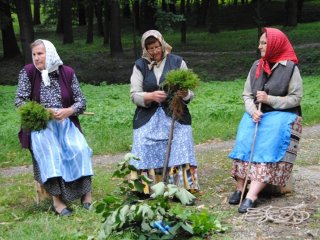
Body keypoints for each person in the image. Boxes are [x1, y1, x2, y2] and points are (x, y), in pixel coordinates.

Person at [15, 39, 93, 216]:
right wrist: (44, 111)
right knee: (51, 154)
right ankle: (57, 201)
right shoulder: (28, 72)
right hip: (41, 126)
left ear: (49, 53)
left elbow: (81, 102)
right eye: (34, 54)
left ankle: (86, 195)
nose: (36, 58)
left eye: (40, 54)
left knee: (80, 149)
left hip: (66, 124)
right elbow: (20, 101)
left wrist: (69, 110)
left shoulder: (67, 72)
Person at [228, 27, 303, 213]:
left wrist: (269, 100)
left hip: (283, 114)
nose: (259, 46)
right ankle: (240, 187)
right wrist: (253, 111)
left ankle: (252, 195)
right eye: (260, 42)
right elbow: (247, 94)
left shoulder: (290, 68)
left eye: (264, 43)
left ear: (275, 45)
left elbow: (295, 98)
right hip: (258, 112)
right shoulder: (256, 66)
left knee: (269, 140)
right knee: (245, 133)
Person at [129, 30, 200, 194]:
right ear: (145, 49)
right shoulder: (140, 65)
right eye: (150, 48)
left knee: (181, 138)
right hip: (148, 116)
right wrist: (150, 96)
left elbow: (190, 90)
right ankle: (145, 188)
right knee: (142, 140)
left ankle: (180, 188)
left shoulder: (177, 62)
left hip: (176, 115)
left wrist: (185, 94)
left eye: (157, 47)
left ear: (162, 44)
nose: (155, 51)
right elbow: (134, 94)